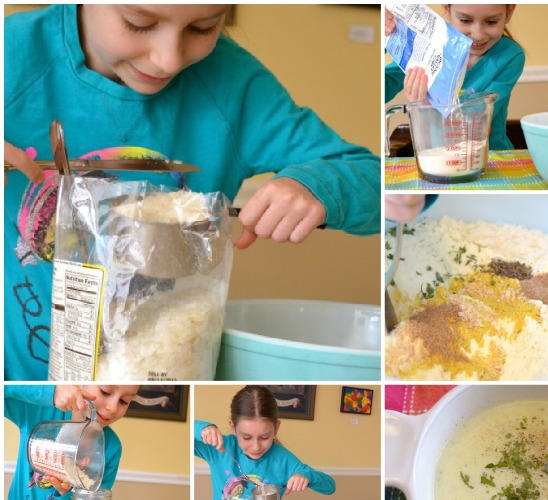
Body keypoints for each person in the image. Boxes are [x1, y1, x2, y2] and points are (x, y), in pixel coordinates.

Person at [4, 5, 381, 381]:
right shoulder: (14, 52)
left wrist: (317, 185)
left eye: (203, 27)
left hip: (157, 377)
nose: (168, 59)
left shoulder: (232, 86)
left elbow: (373, 180)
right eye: (139, 23)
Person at [195, 385, 335, 500]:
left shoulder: (283, 460)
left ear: (276, 428)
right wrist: (203, 428)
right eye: (246, 437)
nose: (256, 447)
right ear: (233, 427)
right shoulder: (219, 449)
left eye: (264, 437)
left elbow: (330, 487)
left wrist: (307, 476)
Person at [385, 4, 524, 150]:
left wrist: (424, 107)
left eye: (491, 22)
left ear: (509, 12)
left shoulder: (510, 55)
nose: (477, 35)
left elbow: (475, 123)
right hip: (436, 154)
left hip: (493, 156)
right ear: (447, 10)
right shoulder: (426, 49)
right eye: (465, 20)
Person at [5, 385, 140, 500]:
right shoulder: (37, 412)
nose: (113, 408)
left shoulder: (111, 447)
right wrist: (51, 392)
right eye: (105, 392)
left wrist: (67, 493)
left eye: (124, 401)